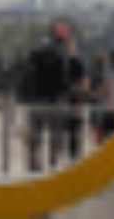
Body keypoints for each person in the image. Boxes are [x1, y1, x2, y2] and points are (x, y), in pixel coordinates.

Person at [23, 22, 86, 172]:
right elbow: (65, 81)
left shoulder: (38, 52)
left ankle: (34, 160)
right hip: (55, 100)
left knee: (35, 132)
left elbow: (25, 63)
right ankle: (53, 161)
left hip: (36, 99)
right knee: (55, 132)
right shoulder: (65, 56)